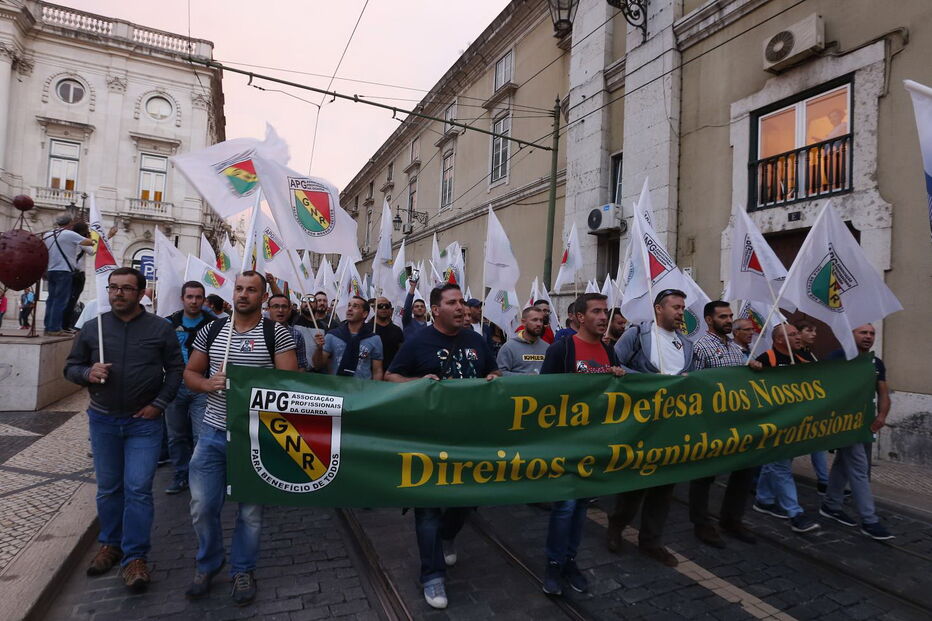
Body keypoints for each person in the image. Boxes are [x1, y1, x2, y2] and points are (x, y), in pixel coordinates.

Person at [64, 267, 184, 591]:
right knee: (108, 489)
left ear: (141, 292)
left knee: (138, 489)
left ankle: (134, 557)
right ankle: (110, 545)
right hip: (102, 420)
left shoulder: (160, 329)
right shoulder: (93, 329)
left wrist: (159, 404)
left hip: (143, 424)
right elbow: (70, 368)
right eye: (113, 288)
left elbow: (176, 370)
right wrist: (88, 372)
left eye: (126, 289)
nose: (118, 294)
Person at [183, 271, 297, 606]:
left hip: (256, 435)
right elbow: (190, 373)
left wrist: (261, 386)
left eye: (251, 290)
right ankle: (209, 562)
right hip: (214, 430)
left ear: (263, 297)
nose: (243, 295)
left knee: (250, 513)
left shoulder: (277, 334)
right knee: (202, 506)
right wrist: (206, 385)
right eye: (238, 289)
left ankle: (243, 569)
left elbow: (292, 385)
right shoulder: (213, 329)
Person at [385, 283, 499, 610]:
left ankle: (449, 535)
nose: (462, 307)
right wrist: (417, 383)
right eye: (453, 302)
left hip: (470, 441)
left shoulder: (476, 340)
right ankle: (432, 575)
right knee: (428, 509)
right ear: (436, 309)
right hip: (428, 440)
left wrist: (493, 378)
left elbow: (493, 370)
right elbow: (391, 377)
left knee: (467, 501)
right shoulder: (418, 341)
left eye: (463, 301)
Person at [539, 293, 625, 595]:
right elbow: (543, 396)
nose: (604, 317)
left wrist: (618, 379)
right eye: (597, 312)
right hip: (565, 443)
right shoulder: (562, 349)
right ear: (579, 317)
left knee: (579, 509)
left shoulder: (609, 351)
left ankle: (570, 561)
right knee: (565, 506)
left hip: (594, 443)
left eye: (606, 312)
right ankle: (553, 565)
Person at [608, 289, 697, 567]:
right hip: (642, 423)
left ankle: (651, 541)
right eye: (676, 307)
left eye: (683, 307)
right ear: (659, 309)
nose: (681, 312)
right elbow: (616, 365)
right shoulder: (637, 335)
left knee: (664, 487)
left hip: (671, 425)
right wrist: (650, 381)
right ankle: (616, 525)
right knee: (637, 482)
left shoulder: (687, 344)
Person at [689, 301, 763, 548]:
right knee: (704, 476)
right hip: (712, 423)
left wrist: (751, 368)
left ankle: (732, 519)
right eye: (723, 316)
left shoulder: (736, 348)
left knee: (743, 471)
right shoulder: (700, 348)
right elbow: (694, 387)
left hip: (739, 423)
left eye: (730, 315)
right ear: (709, 320)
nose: (729, 320)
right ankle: (702, 524)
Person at [820, 324, 893, 540]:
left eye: (872, 333)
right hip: (842, 424)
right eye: (863, 332)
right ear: (851, 335)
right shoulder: (836, 358)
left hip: (864, 424)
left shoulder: (876, 363)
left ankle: (831, 504)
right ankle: (869, 520)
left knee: (844, 464)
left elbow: (883, 392)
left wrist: (882, 416)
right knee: (860, 467)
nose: (868, 336)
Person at [752, 323, 820, 533]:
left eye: (798, 333)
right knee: (781, 466)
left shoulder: (805, 359)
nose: (798, 337)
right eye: (792, 335)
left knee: (774, 463)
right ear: (779, 340)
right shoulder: (766, 360)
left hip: (796, 423)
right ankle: (794, 512)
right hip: (774, 424)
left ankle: (763, 499)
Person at [163, 282, 216, 495]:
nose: (194, 301)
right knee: (176, 435)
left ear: (204, 300)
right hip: (174, 386)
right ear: (182, 298)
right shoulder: (168, 323)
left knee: (201, 435)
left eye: (198, 297)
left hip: (203, 387)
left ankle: (200, 476)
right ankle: (181, 474)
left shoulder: (214, 324)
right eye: (190, 297)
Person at [42, 214, 93, 335]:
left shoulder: (47, 234)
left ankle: (48, 327)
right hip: (64, 271)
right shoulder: (69, 234)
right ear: (70, 224)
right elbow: (90, 243)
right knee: (60, 300)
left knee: (51, 300)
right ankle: (54, 329)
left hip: (51, 270)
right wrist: (91, 235)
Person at [313, 295, 383, 380]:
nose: (349, 309)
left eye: (355, 306)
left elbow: (377, 371)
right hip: (336, 388)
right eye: (349, 305)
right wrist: (319, 349)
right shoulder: (332, 335)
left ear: (364, 314)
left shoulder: (374, 339)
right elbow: (318, 365)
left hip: (361, 390)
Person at [793, 319, 827, 491]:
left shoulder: (811, 354)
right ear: (798, 333)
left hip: (811, 407)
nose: (814, 334)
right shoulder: (791, 354)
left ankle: (824, 481)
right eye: (809, 330)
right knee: (787, 450)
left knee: (818, 445)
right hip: (795, 409)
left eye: (815, 331)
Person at [496, 306, 549, 375]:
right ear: (523, 322)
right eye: (534, 320)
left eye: (541, 320)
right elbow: (500, 373)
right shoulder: (509, 347)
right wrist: (525, 377)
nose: (539, 324)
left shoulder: (547, 347)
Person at [268, 294, 310, 371]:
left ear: (289, 310)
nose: (280, 310)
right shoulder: (260, 332)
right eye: (276, 306)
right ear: (268, 309)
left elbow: (301, 366)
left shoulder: (297, 335)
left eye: (284, 307)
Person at [373, 296, 404, 369]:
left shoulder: (397, 330)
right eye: (380, 306)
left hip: (391, 371)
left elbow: (401, 353)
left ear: (390, 309)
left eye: (386, 306)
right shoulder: (367, 328)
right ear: (374, 309)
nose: (384, 308)